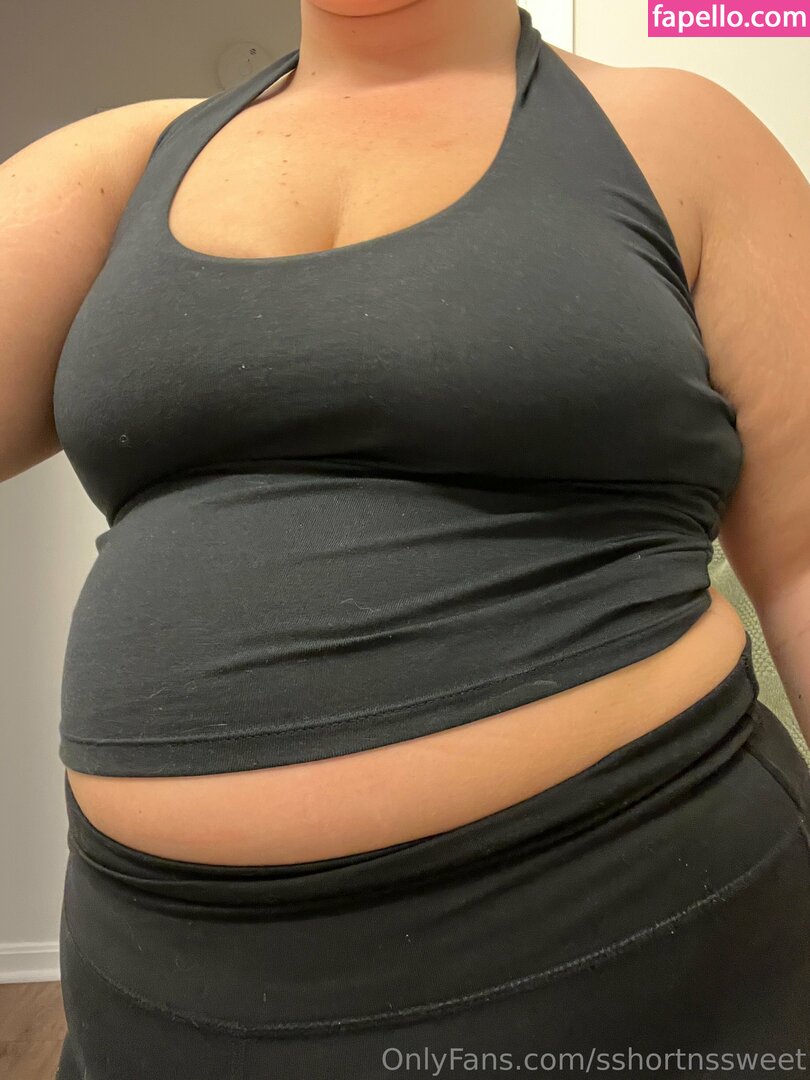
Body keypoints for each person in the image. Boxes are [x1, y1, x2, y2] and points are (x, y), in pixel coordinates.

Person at [1, 1, 808, 1075]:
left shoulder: (678, 131)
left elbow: (804, 565)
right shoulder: (125, 162)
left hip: (640, 932)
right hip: (165, 979)